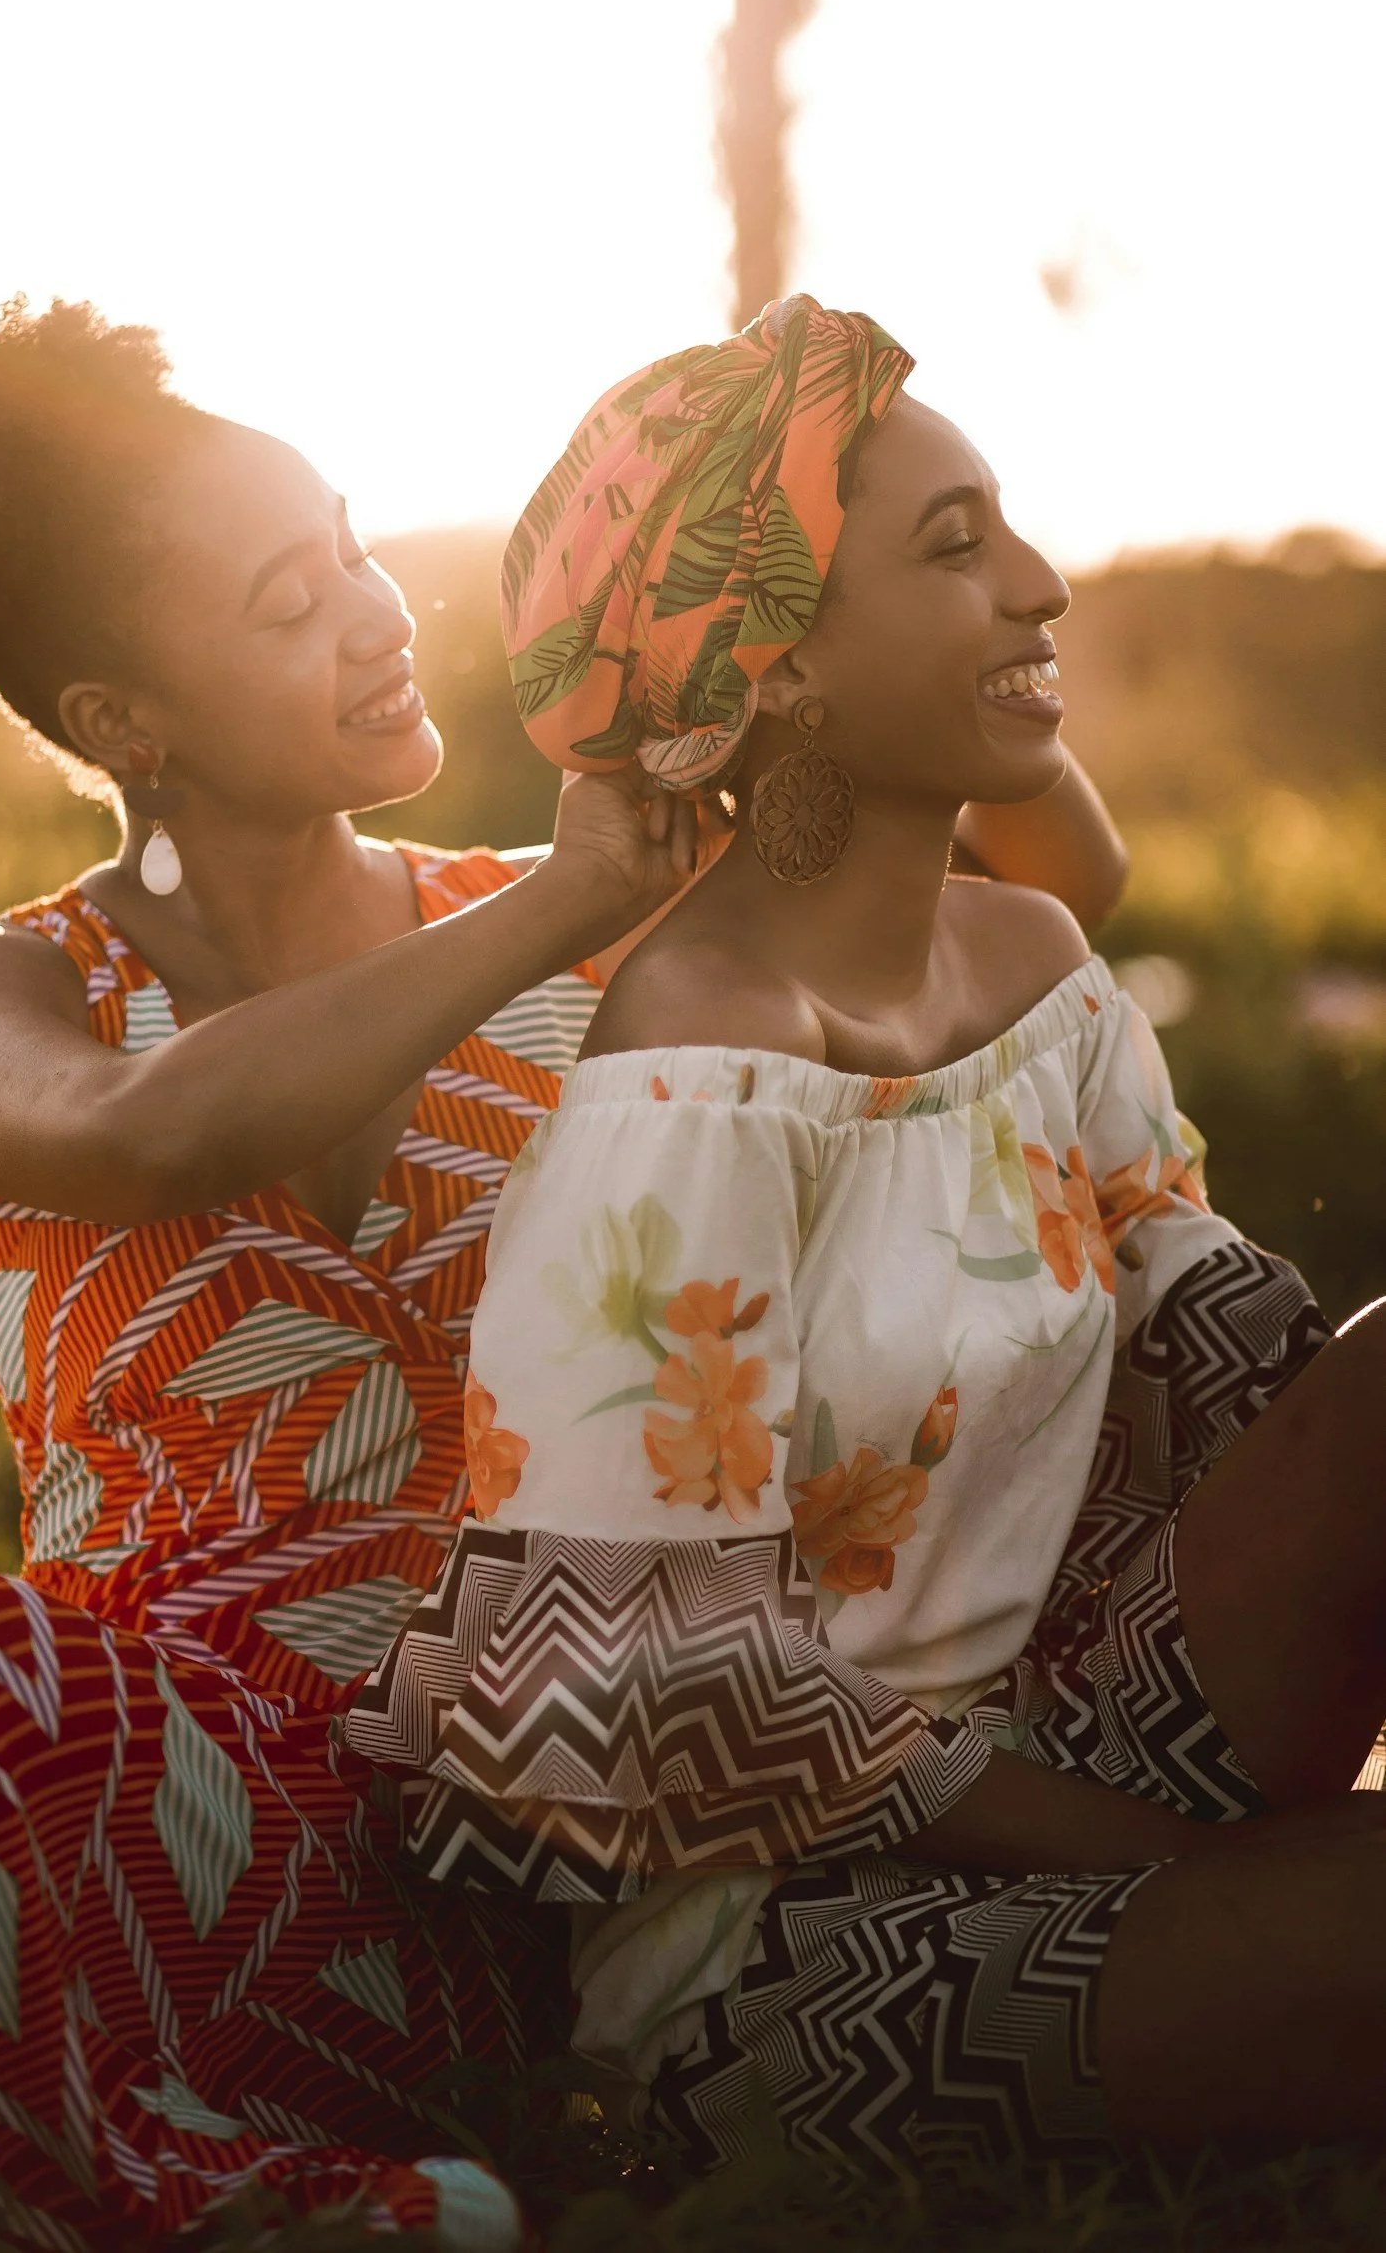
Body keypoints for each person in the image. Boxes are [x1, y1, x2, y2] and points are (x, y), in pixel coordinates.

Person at [0, 299, 1131, 2246]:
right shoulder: (1, 983)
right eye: (290, 602)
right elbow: (149, 1138)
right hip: (145, 1785)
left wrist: (802, 539)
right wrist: (563, 898)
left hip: (494, 1820)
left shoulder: (619, 946)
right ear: (122, 718)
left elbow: (1035, 892)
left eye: (357, 543)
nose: (378, 612)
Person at [347, 295, 1386, 2179]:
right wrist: (1191, 1863)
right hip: (784, 1936)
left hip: (1084, 1718)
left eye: (1009, 525)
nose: (1044, 585)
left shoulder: (1042, 973)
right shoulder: (691, 1076)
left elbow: (1229, 1348)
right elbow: (661, 1690)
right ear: (784, 671)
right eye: (955, 547)